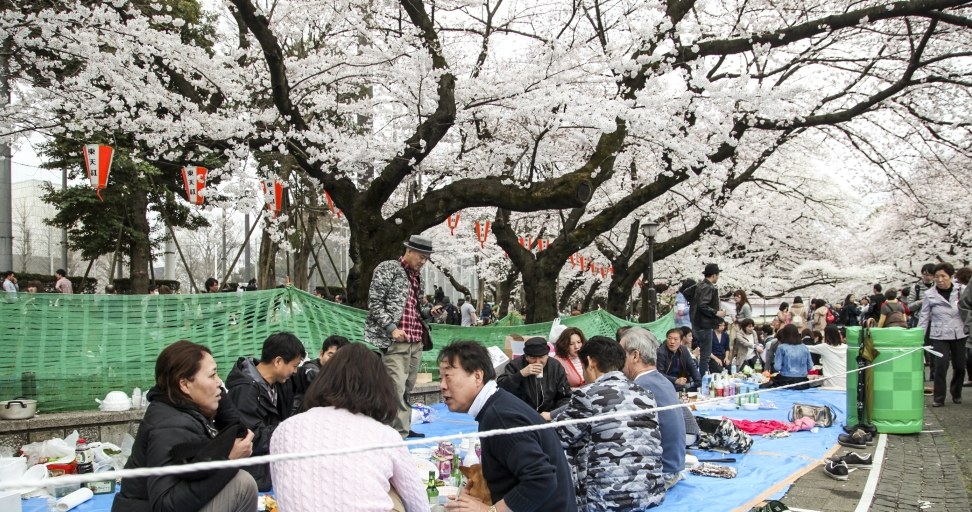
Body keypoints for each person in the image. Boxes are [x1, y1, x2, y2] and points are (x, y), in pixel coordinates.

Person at [270, 344, 429, 512]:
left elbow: (281, 491)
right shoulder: (385, 436)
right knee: (395, 490)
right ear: (379, 387)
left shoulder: (284, 430)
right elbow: (418, 503)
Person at [111, 340, 258, 512]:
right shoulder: (169, 425)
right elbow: (165, 505)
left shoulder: (186, 408)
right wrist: (229, 462)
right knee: (242, 484)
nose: (219, 382)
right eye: (212, 375)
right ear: (185, 384)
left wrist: (218, 393)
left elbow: (239, 432)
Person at [438, 341, 576, 512]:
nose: (442, 386)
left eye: (448, 377)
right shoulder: (496, 406)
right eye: (440, 378)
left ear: (477, 376)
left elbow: (542, 479)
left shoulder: (501, 418)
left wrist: (490, 511)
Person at [554, 336, 665, 510]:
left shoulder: (587, 395)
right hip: (648, 492)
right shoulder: (646, 394)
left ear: (590, 362)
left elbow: (557, 437)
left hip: (605, 499)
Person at [364, 234, 434, 439]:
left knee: (407, 387)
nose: (423, 261)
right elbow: (375, 303)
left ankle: (402, 425)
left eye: (426, 258)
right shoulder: (388, 268)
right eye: (421, 256)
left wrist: (431, 313)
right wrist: (391, 328)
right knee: (395, 387)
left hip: (415, 339)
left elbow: (416, 309)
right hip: (395, 340)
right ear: (409, 251)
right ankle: (397, 434)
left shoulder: (416, 276)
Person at [225, 332, 306, 490]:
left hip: (269, 471)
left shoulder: (279, 384)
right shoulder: (244, 391)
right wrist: (291, 430)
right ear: (278, 361)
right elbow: (252, 437)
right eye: (294, 366)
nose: (295, 371)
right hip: (252, 477)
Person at [620, 327, 688, 490]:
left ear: (635, 355)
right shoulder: (662, 381)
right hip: (673, 467)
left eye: (621, 354)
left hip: (660, 473)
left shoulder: (638, 387)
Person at [919, 263, 968, 407]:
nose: (940, 280)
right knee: (941, 365)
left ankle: (956, 392)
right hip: (939, 334)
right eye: (936, 277)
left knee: (959, 366)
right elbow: (924, 316)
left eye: (943, 276)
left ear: (951, 277)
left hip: (959, 332)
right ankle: (939, 397)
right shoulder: (929, 294)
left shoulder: (962, 290)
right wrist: (918, 336)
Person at [496, 337, 572, 420]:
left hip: (549, 415)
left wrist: (552, 414)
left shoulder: (555, 366)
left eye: (541, 357)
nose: (537, 362)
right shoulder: (515, 365)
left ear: (547, 355)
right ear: (526, 357)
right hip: (522, 415)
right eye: (533, 358)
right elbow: (500, 389)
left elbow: (565, 396)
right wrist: (520, 374)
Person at [292, 335, 351, 414]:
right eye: (331, 355)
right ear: (321, 353)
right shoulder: (310, 368)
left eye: (339, 357)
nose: (334, 360)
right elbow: (316, 378)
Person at [689, 263, 725, 378]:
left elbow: (687, 295)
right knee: (705, 355)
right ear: (714, 275)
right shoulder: (708, 287)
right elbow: (703, 305)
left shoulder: (699, 285)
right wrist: (716, 312)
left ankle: (698, 376)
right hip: (704, 325)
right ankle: (702, 379)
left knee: (700, 353)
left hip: (696, 324)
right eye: (717, 275)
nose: (718, 277)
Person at [774, 324, 813, 390]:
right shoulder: (804, 347)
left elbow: (777, 367)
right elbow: (810, 366)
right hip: (802, 380)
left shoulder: (781, 347)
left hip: (785, 380)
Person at [808, 325, 847, 389]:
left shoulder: (824, 347)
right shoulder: (846, 347)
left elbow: (807, 348)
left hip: (830, 385)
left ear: (827, 335)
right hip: (845, 385)